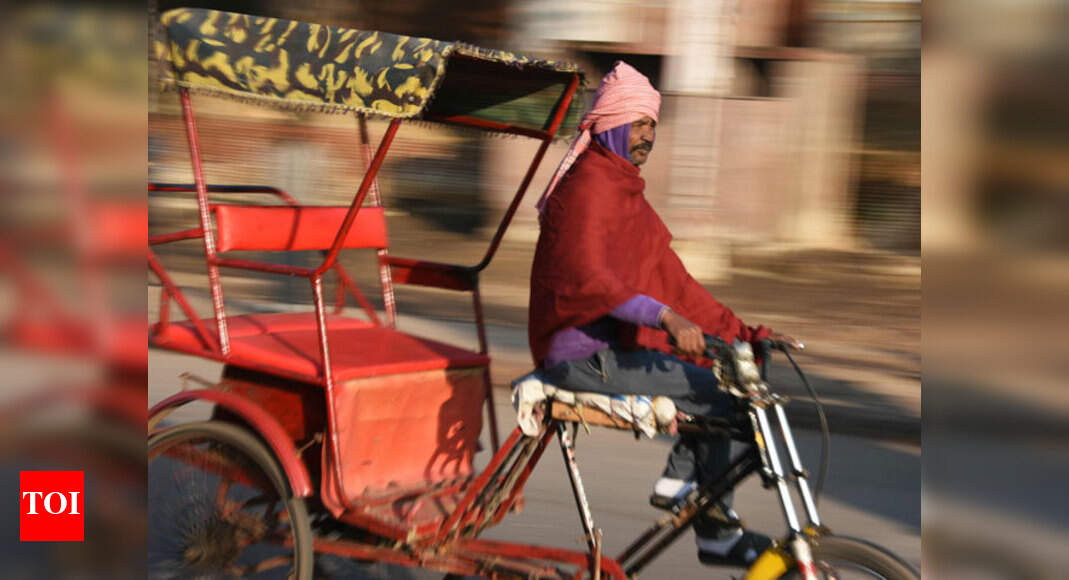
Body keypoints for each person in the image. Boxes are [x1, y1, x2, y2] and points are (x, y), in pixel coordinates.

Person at [528, 61, 799, 567]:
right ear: (609, 124)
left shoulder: (624, 191)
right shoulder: (586, 190)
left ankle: (693, 498)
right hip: (578, 353)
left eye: (653, 124)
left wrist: (745, 334)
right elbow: (592, 280)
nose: (648, 135)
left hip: (611, 349)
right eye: (639, 123)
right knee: (717, 393)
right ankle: (705, 517)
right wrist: (665, 319)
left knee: (725, 379)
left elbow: (675, 283)